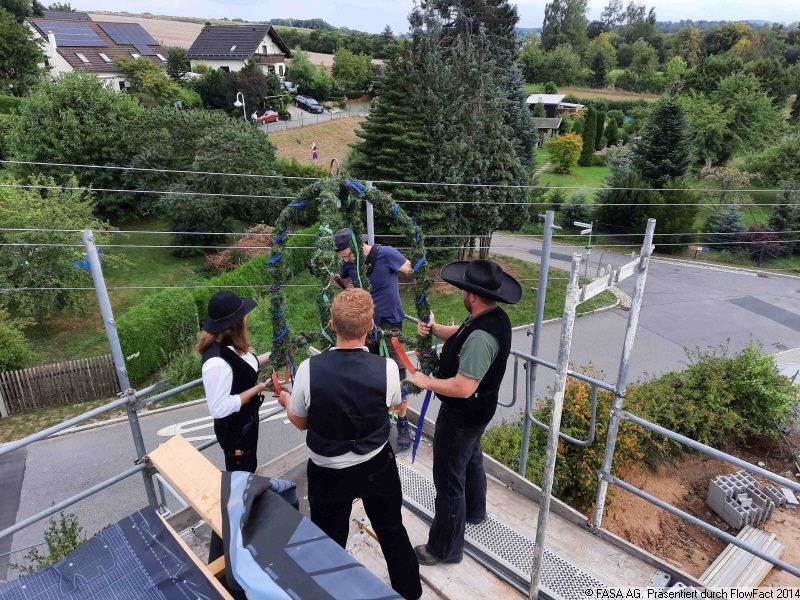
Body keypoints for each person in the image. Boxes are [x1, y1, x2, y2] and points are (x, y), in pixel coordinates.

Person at [277, 288, 422, 600]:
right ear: (370, 326)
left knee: (328, 541)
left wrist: (287, 400)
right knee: (392, 529)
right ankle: (409, 591)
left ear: (332, 324)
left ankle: (327, 592)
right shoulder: (385, 368)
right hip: (374, 465)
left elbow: (301, 421)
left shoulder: (308, 370)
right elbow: (394, 406)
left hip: (327, 470)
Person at [409, 260, 521, 566]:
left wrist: (426, 381)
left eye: (463, 290)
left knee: (448, 479)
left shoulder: (482, 338)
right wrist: (433, 329)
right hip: (479, 412)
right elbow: (459, 333)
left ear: (471, 295)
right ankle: (475, 511)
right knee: (470, 459)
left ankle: (444, 549)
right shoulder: (492, 316)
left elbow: (462, 387)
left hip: (463, 414)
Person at [333, 227, 414, 449]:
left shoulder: (386, 254)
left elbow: (410, 268)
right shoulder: (349, 263)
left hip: (390, 324)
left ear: (359, 246)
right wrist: (337, 280)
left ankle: (403, 422)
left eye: (349, 254)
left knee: (398, 374)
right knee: (369, 374)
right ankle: (377, 421)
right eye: (343, 257)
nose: (347, 259)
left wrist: (412, 270)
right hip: (365, 325)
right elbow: (346, 284)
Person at [197, 290, 268, 474]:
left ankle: (248, 498)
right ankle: (240, 502)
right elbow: (219, 408)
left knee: (249, 467)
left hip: (247, 422)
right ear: (235, 324)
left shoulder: (229, 347)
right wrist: (258, 388)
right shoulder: (216, 363)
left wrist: (274, 355)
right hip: (235, 431)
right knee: (240, 474)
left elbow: (243, 367)